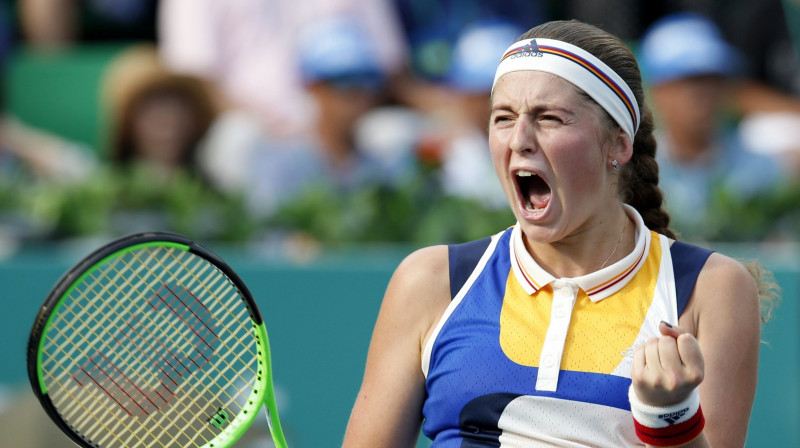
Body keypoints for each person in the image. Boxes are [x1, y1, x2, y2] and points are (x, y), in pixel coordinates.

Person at [343, 19, 774, 447]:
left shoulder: (711, 289)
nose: (520, 140)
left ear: (618, 144)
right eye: (504, 118)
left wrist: (669, 417)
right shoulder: (431, 280)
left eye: (549, 118)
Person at [638, 13, 788, 233]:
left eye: (713, 80)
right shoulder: (634, 171)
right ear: (659, 92)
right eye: (690, 82)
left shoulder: (765, 169)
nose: (704, 95)